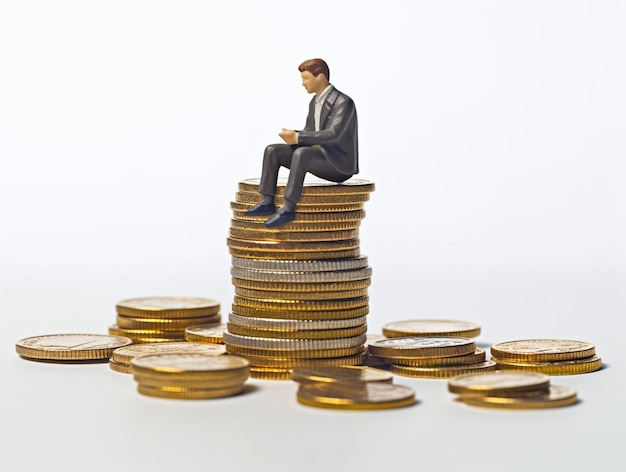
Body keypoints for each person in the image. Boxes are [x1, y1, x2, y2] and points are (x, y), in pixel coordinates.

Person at [245, 58, 359, 228]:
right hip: (319, 156)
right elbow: (310, 131)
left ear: (320, 77)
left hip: (338, 164)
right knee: (273, 150)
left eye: (305, 78)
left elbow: (333, 134)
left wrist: (298, 138)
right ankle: (267, 200)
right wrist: (294, 136)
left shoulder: (343, 102)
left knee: (302, 153)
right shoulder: (314, 102)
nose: (303, 83)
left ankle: (289, 208)